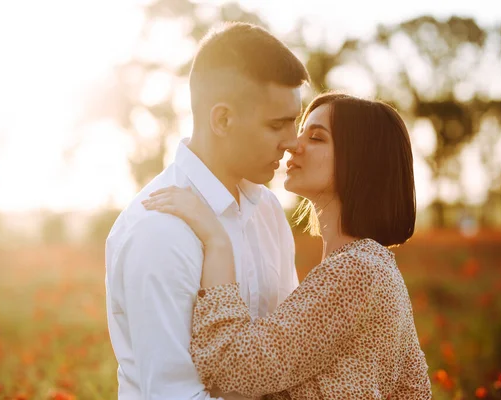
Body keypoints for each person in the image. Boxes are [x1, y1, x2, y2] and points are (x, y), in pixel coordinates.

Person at [143, 92, 432, 399]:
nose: (294, 144)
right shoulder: (375, 267)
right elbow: (414, 390)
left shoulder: (356, 271)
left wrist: (216, 242)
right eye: (301, 131)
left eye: (317, 137)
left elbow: (234, 368)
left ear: (360, 159)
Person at [105, 22, 309, 400]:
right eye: (277, 124)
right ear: (223, 120)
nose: (293, 141)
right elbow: (173, 394)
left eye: (295, 121)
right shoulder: (158, 230)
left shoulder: (267, 210)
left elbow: (285, 361)